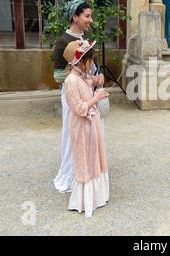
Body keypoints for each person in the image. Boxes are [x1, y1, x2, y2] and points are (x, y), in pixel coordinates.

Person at [52, 0, 104, 193]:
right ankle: (70, 175)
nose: (90, 20)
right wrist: (81, 77)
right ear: (75, 16)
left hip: (90, 95)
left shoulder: (86, 40)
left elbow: (94, 67)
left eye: (90, 16)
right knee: (72, 134)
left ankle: (88, 172)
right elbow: (58, 75)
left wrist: (98, 76)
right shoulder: (63, 42)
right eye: (87, 16)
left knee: (91, 134)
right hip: (73, 97)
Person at [62, 40, 110, 217]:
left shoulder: (84, 77)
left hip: (93, 123)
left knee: (95, 155)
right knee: (84, 158)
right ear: (80, 61)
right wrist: (96, 98)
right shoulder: (71, 81)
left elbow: (90, 89)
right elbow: (79, 108)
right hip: (82, 126)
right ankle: (85, 200)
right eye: (90, 60)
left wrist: (97, 85)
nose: (92, 64)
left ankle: (98, 197)